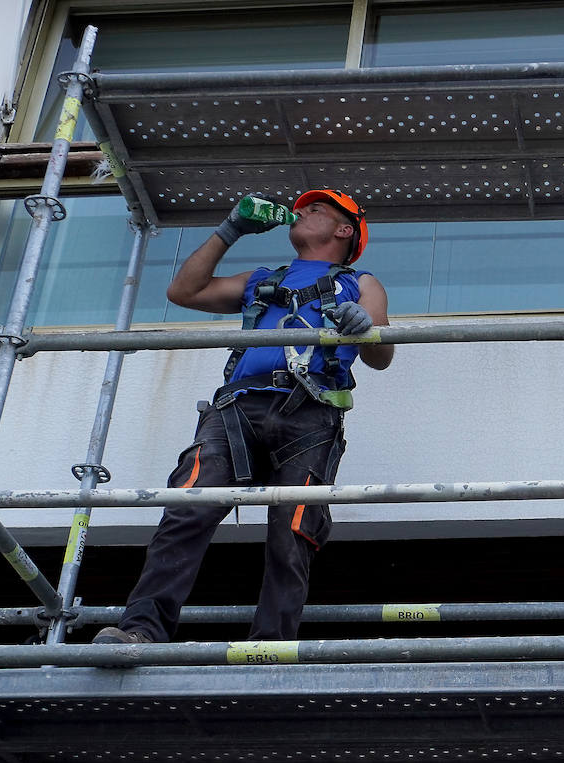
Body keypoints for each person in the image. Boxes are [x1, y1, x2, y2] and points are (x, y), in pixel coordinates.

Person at [94, 189, 394, 644]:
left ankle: (269, 648)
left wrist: (364, 327)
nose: (301, 211)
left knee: (292, 530)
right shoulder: (263, 280)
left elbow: (382, 356)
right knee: (188, 507)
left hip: (311, 412)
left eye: (316, 209)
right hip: (237, 408)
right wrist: (230, 230)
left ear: (343, 229)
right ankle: (141, 632)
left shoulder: (361, 283)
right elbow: (183, 291)